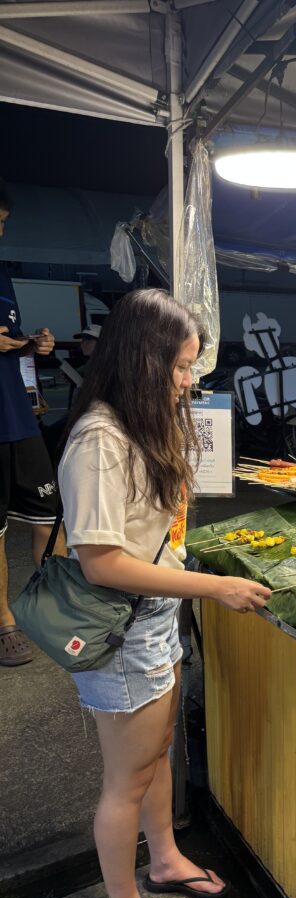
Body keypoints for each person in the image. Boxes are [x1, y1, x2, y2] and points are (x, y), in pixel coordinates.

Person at [58, 288, 271, 898]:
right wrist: (215, 586)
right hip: (119, 633)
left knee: (157, 755)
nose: (189, 381)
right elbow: (101, 562)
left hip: (152, 622)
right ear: (144, 360)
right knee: (126, 777)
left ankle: (167, 858)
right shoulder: (99, 438)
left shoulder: (142, 422)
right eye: (181, 367)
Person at [0, 179, 65, 668]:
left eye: (2, 225)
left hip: (18, 418)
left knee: (49, 515)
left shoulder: (3, 275)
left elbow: (11, 340)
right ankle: (5, 624)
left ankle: (58, 607)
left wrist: (34, 345)